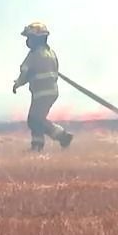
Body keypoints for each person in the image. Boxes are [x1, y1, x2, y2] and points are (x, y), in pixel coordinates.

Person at [13, 22, 74, 151]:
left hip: (41, 92)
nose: (28, 41)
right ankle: (59, 137)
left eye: (29, 38)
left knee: (34, 120)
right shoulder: (51, 53)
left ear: (36, 39)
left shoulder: (33, 55)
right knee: (38, 119)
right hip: (52, 91)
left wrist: (17, 84)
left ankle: (42, 144)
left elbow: (25, 73)